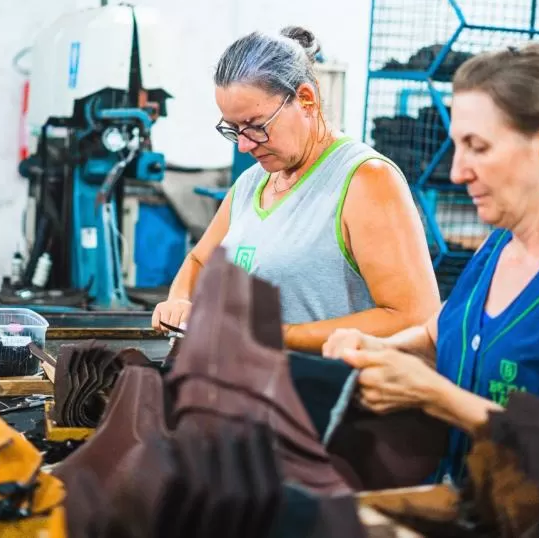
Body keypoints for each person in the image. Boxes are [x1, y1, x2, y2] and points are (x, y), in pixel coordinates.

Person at [324, 43, 539, 482]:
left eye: (477, 147)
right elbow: (436, 335)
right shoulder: (499, 246)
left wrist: (437, 396)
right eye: (457, 147)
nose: (459, 171)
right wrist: (378, 350)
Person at [152, 26, 440, 353]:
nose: (244, 145)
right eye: (233, 130)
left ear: (306, 99)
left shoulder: (365, 180)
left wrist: (278, 335)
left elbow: (413, 317)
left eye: (256, 126)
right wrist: (179, 300)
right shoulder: (251, 183)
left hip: (325, 395)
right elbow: (200, 261)